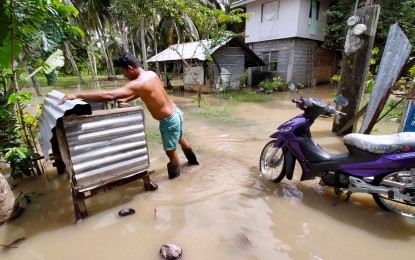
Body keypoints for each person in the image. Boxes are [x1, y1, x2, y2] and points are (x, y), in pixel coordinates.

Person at [59, 53, 199, 179]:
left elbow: (110, 95)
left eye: (123, 71)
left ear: (130, 67)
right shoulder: (151, 74)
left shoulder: (138, 83)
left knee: (170, 152)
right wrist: (127, 99)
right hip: (176, 113)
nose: (124, 75)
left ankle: (176, 181)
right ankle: (194, 163)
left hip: (168, 121)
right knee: (180, 138)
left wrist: (77, 94)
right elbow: (146, 92)